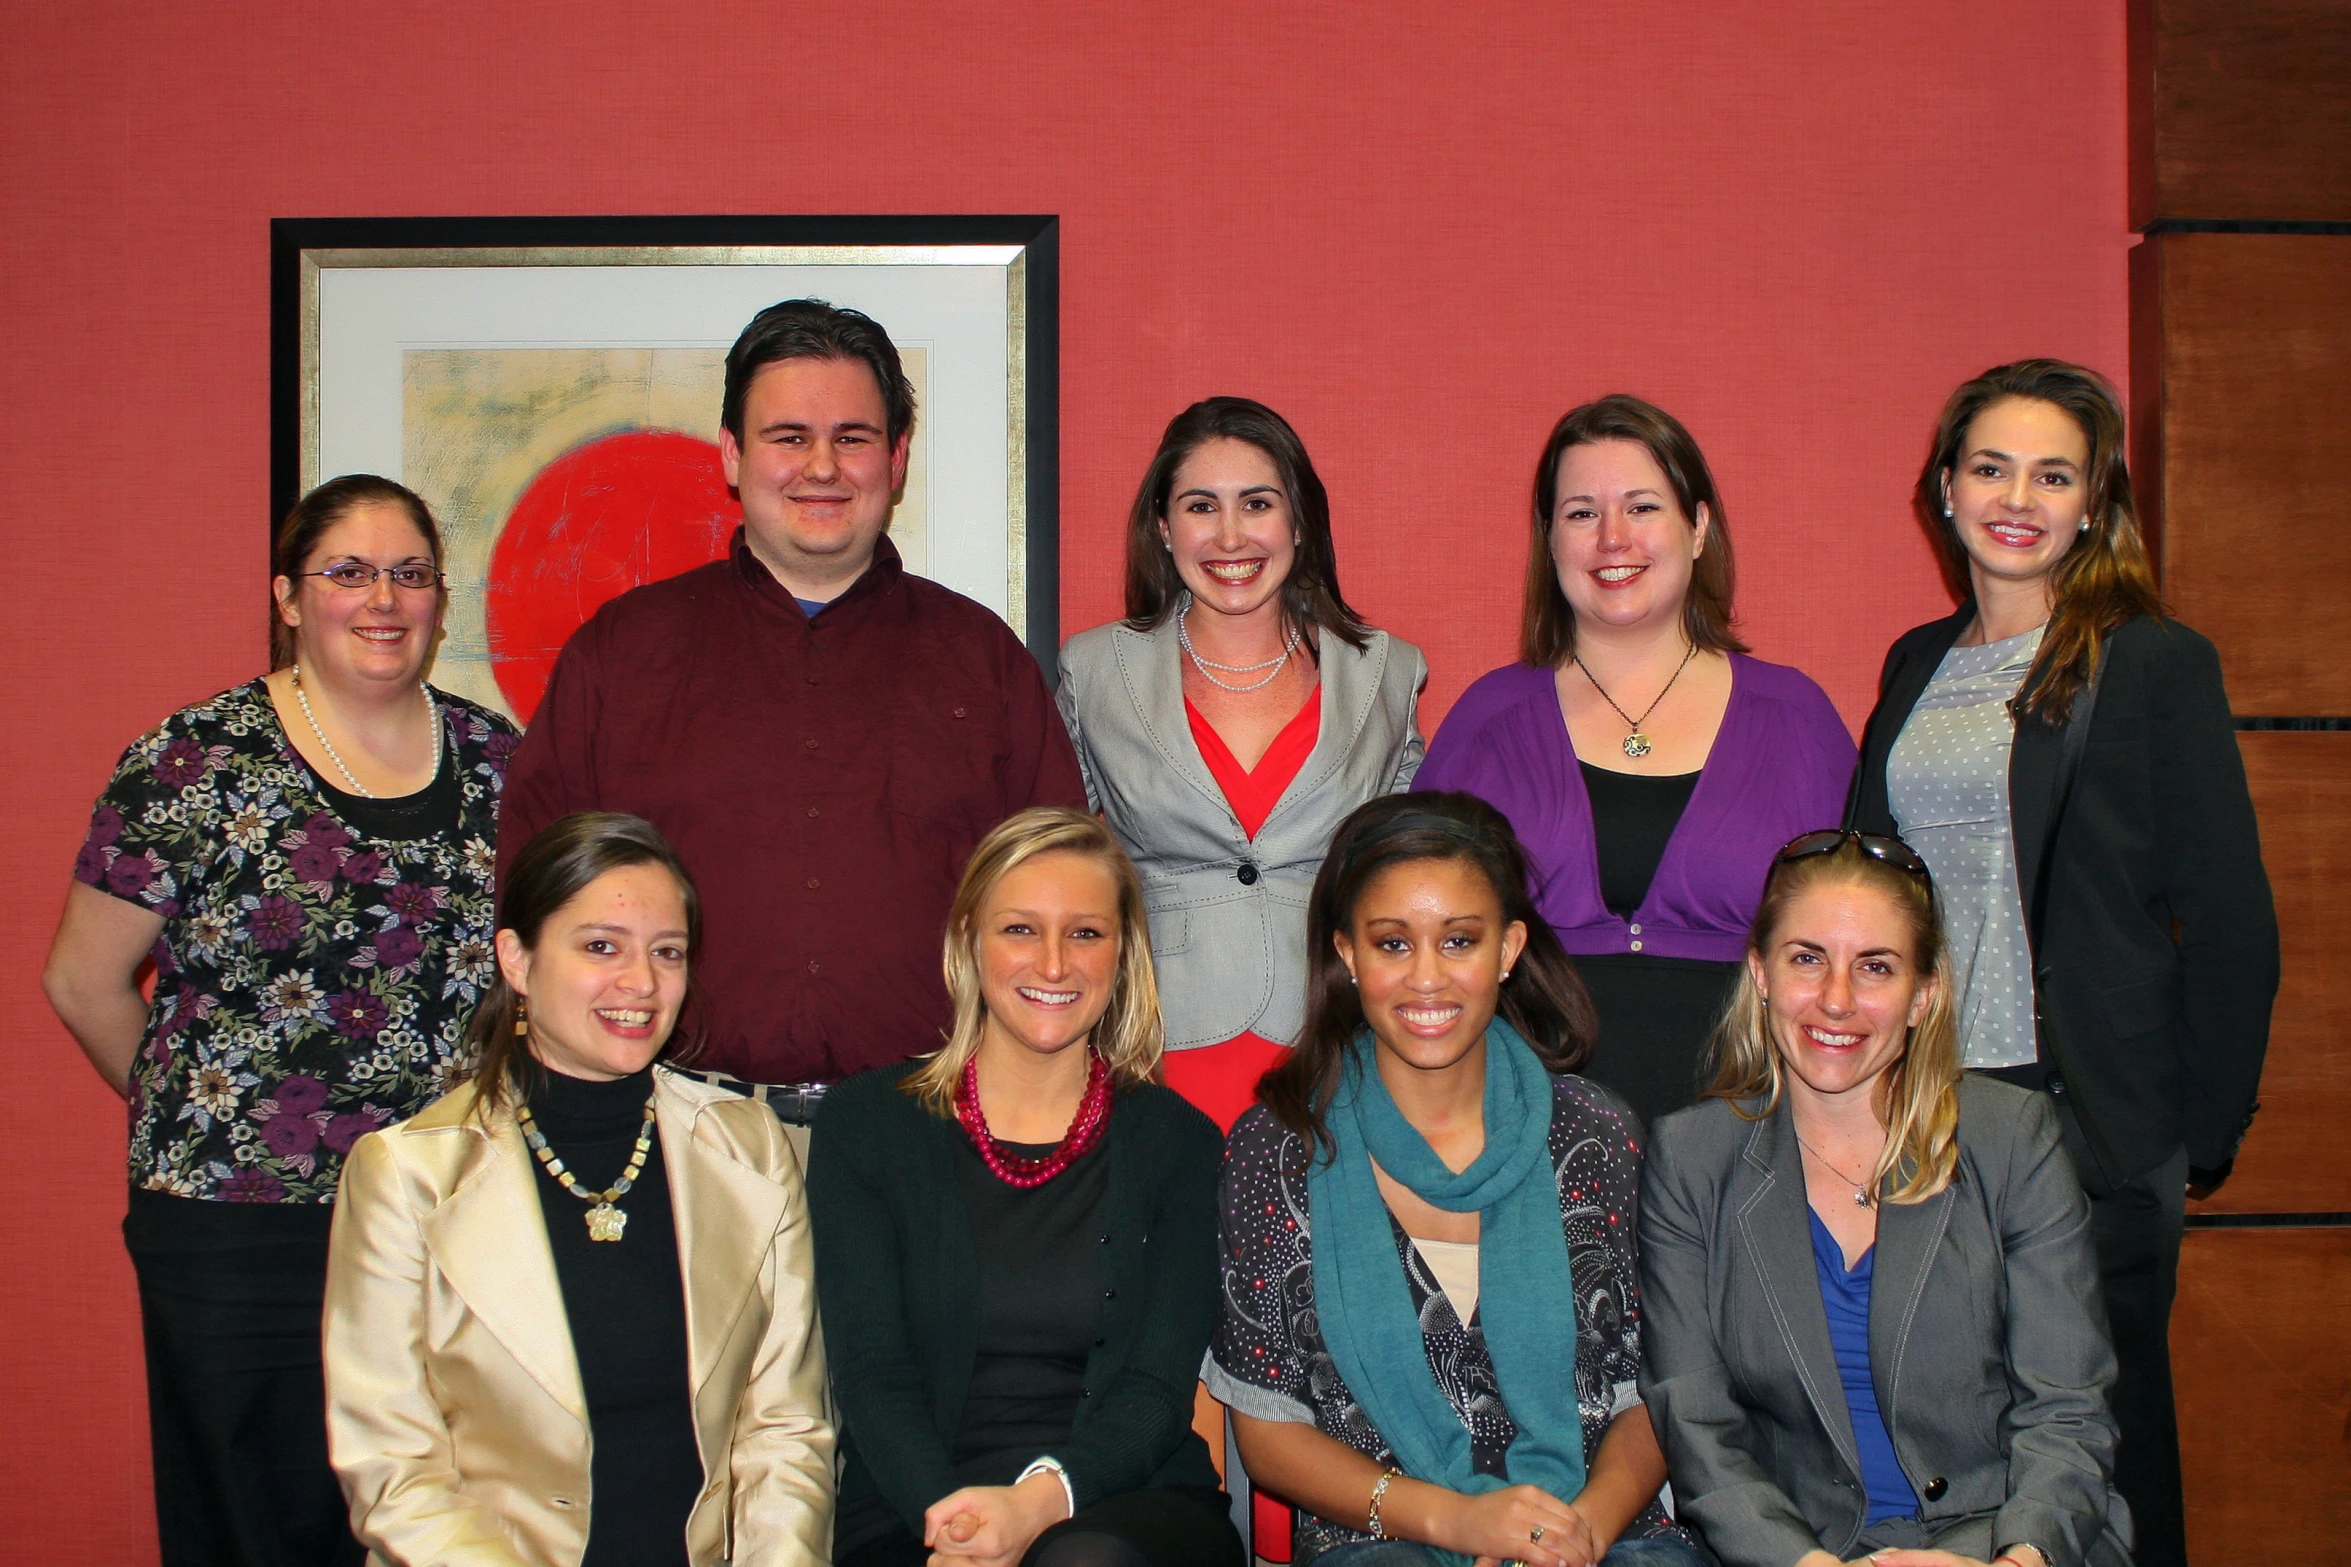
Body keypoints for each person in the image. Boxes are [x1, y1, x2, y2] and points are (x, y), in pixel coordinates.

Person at [1844, 359, 2275, 1567]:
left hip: (2081, 1112)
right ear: (1941, 488)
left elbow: (2230, 919)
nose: (2016, 497)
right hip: (1926, 1111)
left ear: (2094, 501)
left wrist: (2189, 1133)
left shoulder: (2148, 663)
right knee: (1952, 1434)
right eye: (1988, 467)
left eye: (2051, 473)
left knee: (2102, 1445)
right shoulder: (1913, 663)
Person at [41, 474, 517, 1567]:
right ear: (288, 597)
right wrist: (208, 1112)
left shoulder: (500, 763)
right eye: (347, 572)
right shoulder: (193, 760)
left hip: (440, 1222)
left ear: (439, 600)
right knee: (255, 1525)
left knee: (433, 1520)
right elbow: (82, 981)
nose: (382, 599)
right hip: (233, 1227)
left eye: (409, 573)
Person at [499, 297, 1088, 1141]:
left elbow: (1060, 900)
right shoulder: (622, 656)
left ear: (896, 458)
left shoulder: (981, 661)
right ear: (734, 457)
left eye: (852, 437)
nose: (821, 465)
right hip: (675, 1129)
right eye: (788, 437)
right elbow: (534, 888)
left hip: (928, 1134)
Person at [323, 812, 833, 1566]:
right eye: (601, 946)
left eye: (668, 952)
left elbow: (787, 1432)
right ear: (518, 961)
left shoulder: (749, 1146)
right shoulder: (406, 1174)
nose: (641, 982)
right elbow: (394, 1473)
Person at [1209, 791, 1703, 1567]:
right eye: (1393, 944)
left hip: (1599, 1531)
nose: (1427, 980)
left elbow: (1653, 1391)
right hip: (1379, 1538)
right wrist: (1455, 1522)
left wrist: (1579, 1535)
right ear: (1347, 954)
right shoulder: (1276, 1150)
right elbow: (1268, 1429)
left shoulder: (1597, 1134)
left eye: (1459, 940)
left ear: (1507, 949)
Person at [1639, 829, 2133, 1567]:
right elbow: (1696, 1426)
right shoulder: (1689, 1159)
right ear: (1760, 973)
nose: (1835, 1000)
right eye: (1807, 959)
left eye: (1875, 967)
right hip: (1798, 1553)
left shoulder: (2010, 1139)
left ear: (1921, 995)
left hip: (2012, 1541)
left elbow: (2066, 1409)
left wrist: (2011, 1559)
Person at [807, 808, 1243, 1567]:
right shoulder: (865, 1125)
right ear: (968, 941)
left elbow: (1155, 1387)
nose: (1052, 964)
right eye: (1019, 930)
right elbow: (873, 1377)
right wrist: (960, 1527)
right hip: (917, 1504)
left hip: (1126, 1504)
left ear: (1123, 952)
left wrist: (1035, 1505)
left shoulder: (1181, 1142)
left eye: (1084, 932)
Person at [1417, 395, 1854, 1127]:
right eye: (1582, 513)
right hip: (1524, 1136)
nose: (1612, 538)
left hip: (1752, 1134)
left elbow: (1869, 938)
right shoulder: (1487, 721)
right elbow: (1409, 932)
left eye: (1643, 507)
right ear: (1549, 538)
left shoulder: (1795, 719)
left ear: (1698, 526)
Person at [1056, 396, 1427, 1135]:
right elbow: (1062, 867)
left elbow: (1402, 872)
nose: (1229, 535)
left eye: (1256, 502)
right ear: (1163, 527)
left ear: (1298, 520)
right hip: (1154, 1052)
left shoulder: (1386, 670)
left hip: (1333, 1046)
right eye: (1200, 506)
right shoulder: (1096, 669)